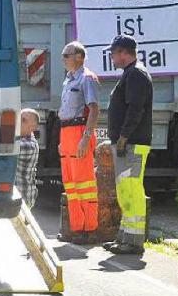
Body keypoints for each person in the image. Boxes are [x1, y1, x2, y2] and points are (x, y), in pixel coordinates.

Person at [104, 35, 153, 256]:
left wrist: (123, 137)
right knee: (125, 191)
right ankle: (124, 237)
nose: (112, 57)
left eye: (113, 53)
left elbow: (136, 109)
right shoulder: (129, 74)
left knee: (132, 191)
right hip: (127, 142)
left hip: (132, 143)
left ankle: (133, 242)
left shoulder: (136, 74)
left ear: (124, 52)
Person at [57, 41, 100, 243]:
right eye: (64, 55)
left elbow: (94, 109)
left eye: (67, 55)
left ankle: (88, 228)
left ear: (79, 57)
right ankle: (76, 228)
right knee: (71, 184)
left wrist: (86, 137)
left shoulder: (86, 78)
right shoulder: (68, 80)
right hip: (66, 132)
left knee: (84, 184)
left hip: (79, 131)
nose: (63, 59)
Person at [16, 108, 40, 210]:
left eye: (24, 120)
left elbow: (2, 148)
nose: (19, 122)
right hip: (21, 195)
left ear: (33, 127)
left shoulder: (29, 145)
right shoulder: (22, 139)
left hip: (22, 197)